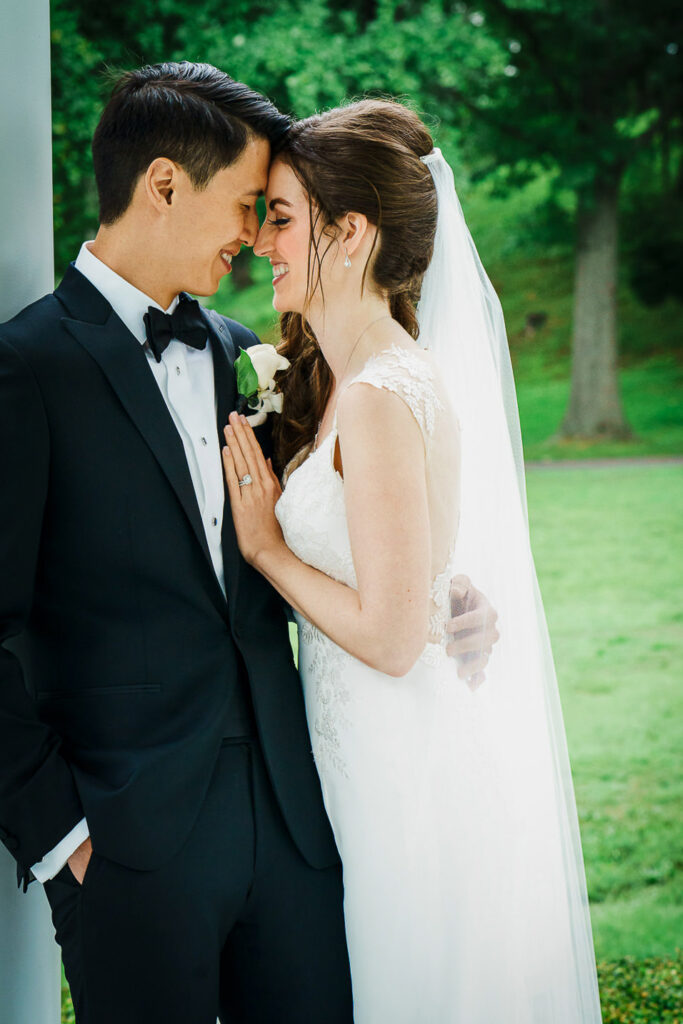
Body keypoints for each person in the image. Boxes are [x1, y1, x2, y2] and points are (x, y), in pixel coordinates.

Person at [0, 63, 493, 1023]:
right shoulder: (25, 370)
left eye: (275, 215)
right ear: (164, 185)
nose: (255, 235)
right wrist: (61, 837)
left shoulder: (249, 355)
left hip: (302, 831)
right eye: (247, 205)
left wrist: (446, 600)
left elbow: (351, 517)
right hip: (129, 849)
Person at [223, 99, 604, 1022]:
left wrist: (266, 546)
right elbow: (420, 585)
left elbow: (392, 640)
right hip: (375, 748)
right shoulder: (358, 378)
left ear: (348, 233)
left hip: (398, 763)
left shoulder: (382, 394)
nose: (260, 242)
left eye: (281, 217)